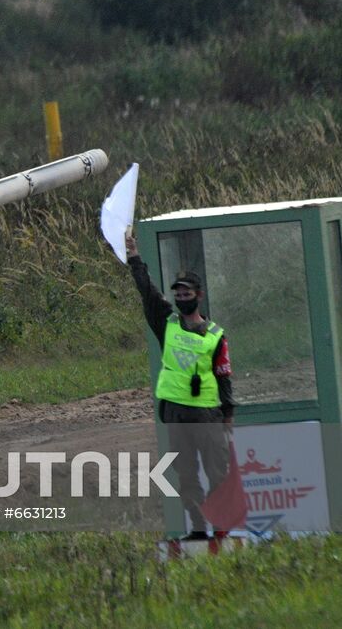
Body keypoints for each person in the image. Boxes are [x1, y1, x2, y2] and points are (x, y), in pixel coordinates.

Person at [125, 229, 234, 538]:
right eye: (178, 294)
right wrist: (134, 256)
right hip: (175, 415)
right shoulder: (167, 324)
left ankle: (220, 527)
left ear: (199, 296)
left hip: (208, 415)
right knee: (186, 477)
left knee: (217, 475)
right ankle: (199, 529)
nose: (182, 298)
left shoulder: (215, 334)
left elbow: (224, 376)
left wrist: (229, 415)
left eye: (187, 294)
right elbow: (147, 291)